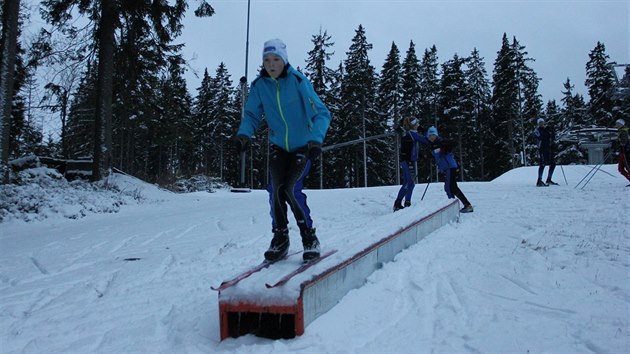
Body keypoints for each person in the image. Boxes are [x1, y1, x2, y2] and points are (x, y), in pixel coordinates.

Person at [234, 38, 331, 262]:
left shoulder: (298, 82)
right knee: (275, 190)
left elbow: (322, 113)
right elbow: (251, 114)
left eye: (276, 59)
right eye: (267, 60)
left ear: (284, 60)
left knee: (291, 189)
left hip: (303, 146)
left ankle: (309, 237)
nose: (271, 64)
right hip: (279, 146)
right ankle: (281, 238)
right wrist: (244, 134)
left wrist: (316, 139)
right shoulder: (260, 86)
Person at [421, 126, 473, 213]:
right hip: (447, 168)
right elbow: (435, 154)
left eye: (433, 135)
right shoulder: (433, 145)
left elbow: (452, 144)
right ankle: (467, 205)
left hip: (450, 167)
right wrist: (426, 156)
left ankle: (452, 208)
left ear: (436, 135)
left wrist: (445, 146)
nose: (431, 137)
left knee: (448, 188)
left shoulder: (440, 141)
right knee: (454, 188)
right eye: (430, 136)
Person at [393, 116, 424, 211]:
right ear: (413, 125)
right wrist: (426, 131)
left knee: (410, 183)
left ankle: (407, 203)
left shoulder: (409, 133)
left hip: (408, 160)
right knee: (409, 182)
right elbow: (425, 140)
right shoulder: (412, 134)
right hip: (408, 161)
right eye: (417, 123)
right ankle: (398, 203)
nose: (418, 125)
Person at [533, 117, 558, 186]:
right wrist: (546, 132)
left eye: (542, 123)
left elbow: (551, 137)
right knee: (542, 164)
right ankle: (539, 180)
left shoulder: (546, 129)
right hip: (542, 149)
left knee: (553, 163)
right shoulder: (537, 131)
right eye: (540, 123)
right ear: (538, 124)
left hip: (548, 148)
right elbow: (540, 137)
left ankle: (549, 179)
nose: (542, 124)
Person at [614, 118, 630, 186]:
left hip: (626, 152)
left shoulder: (624, 131)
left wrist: (618, 143)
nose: (617, 125)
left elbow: (624, 141)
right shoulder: (620, 131)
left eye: (618, 124)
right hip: (622, 152)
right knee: (620, 168)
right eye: (616, 124)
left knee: (628, 167)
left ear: (621, 124)